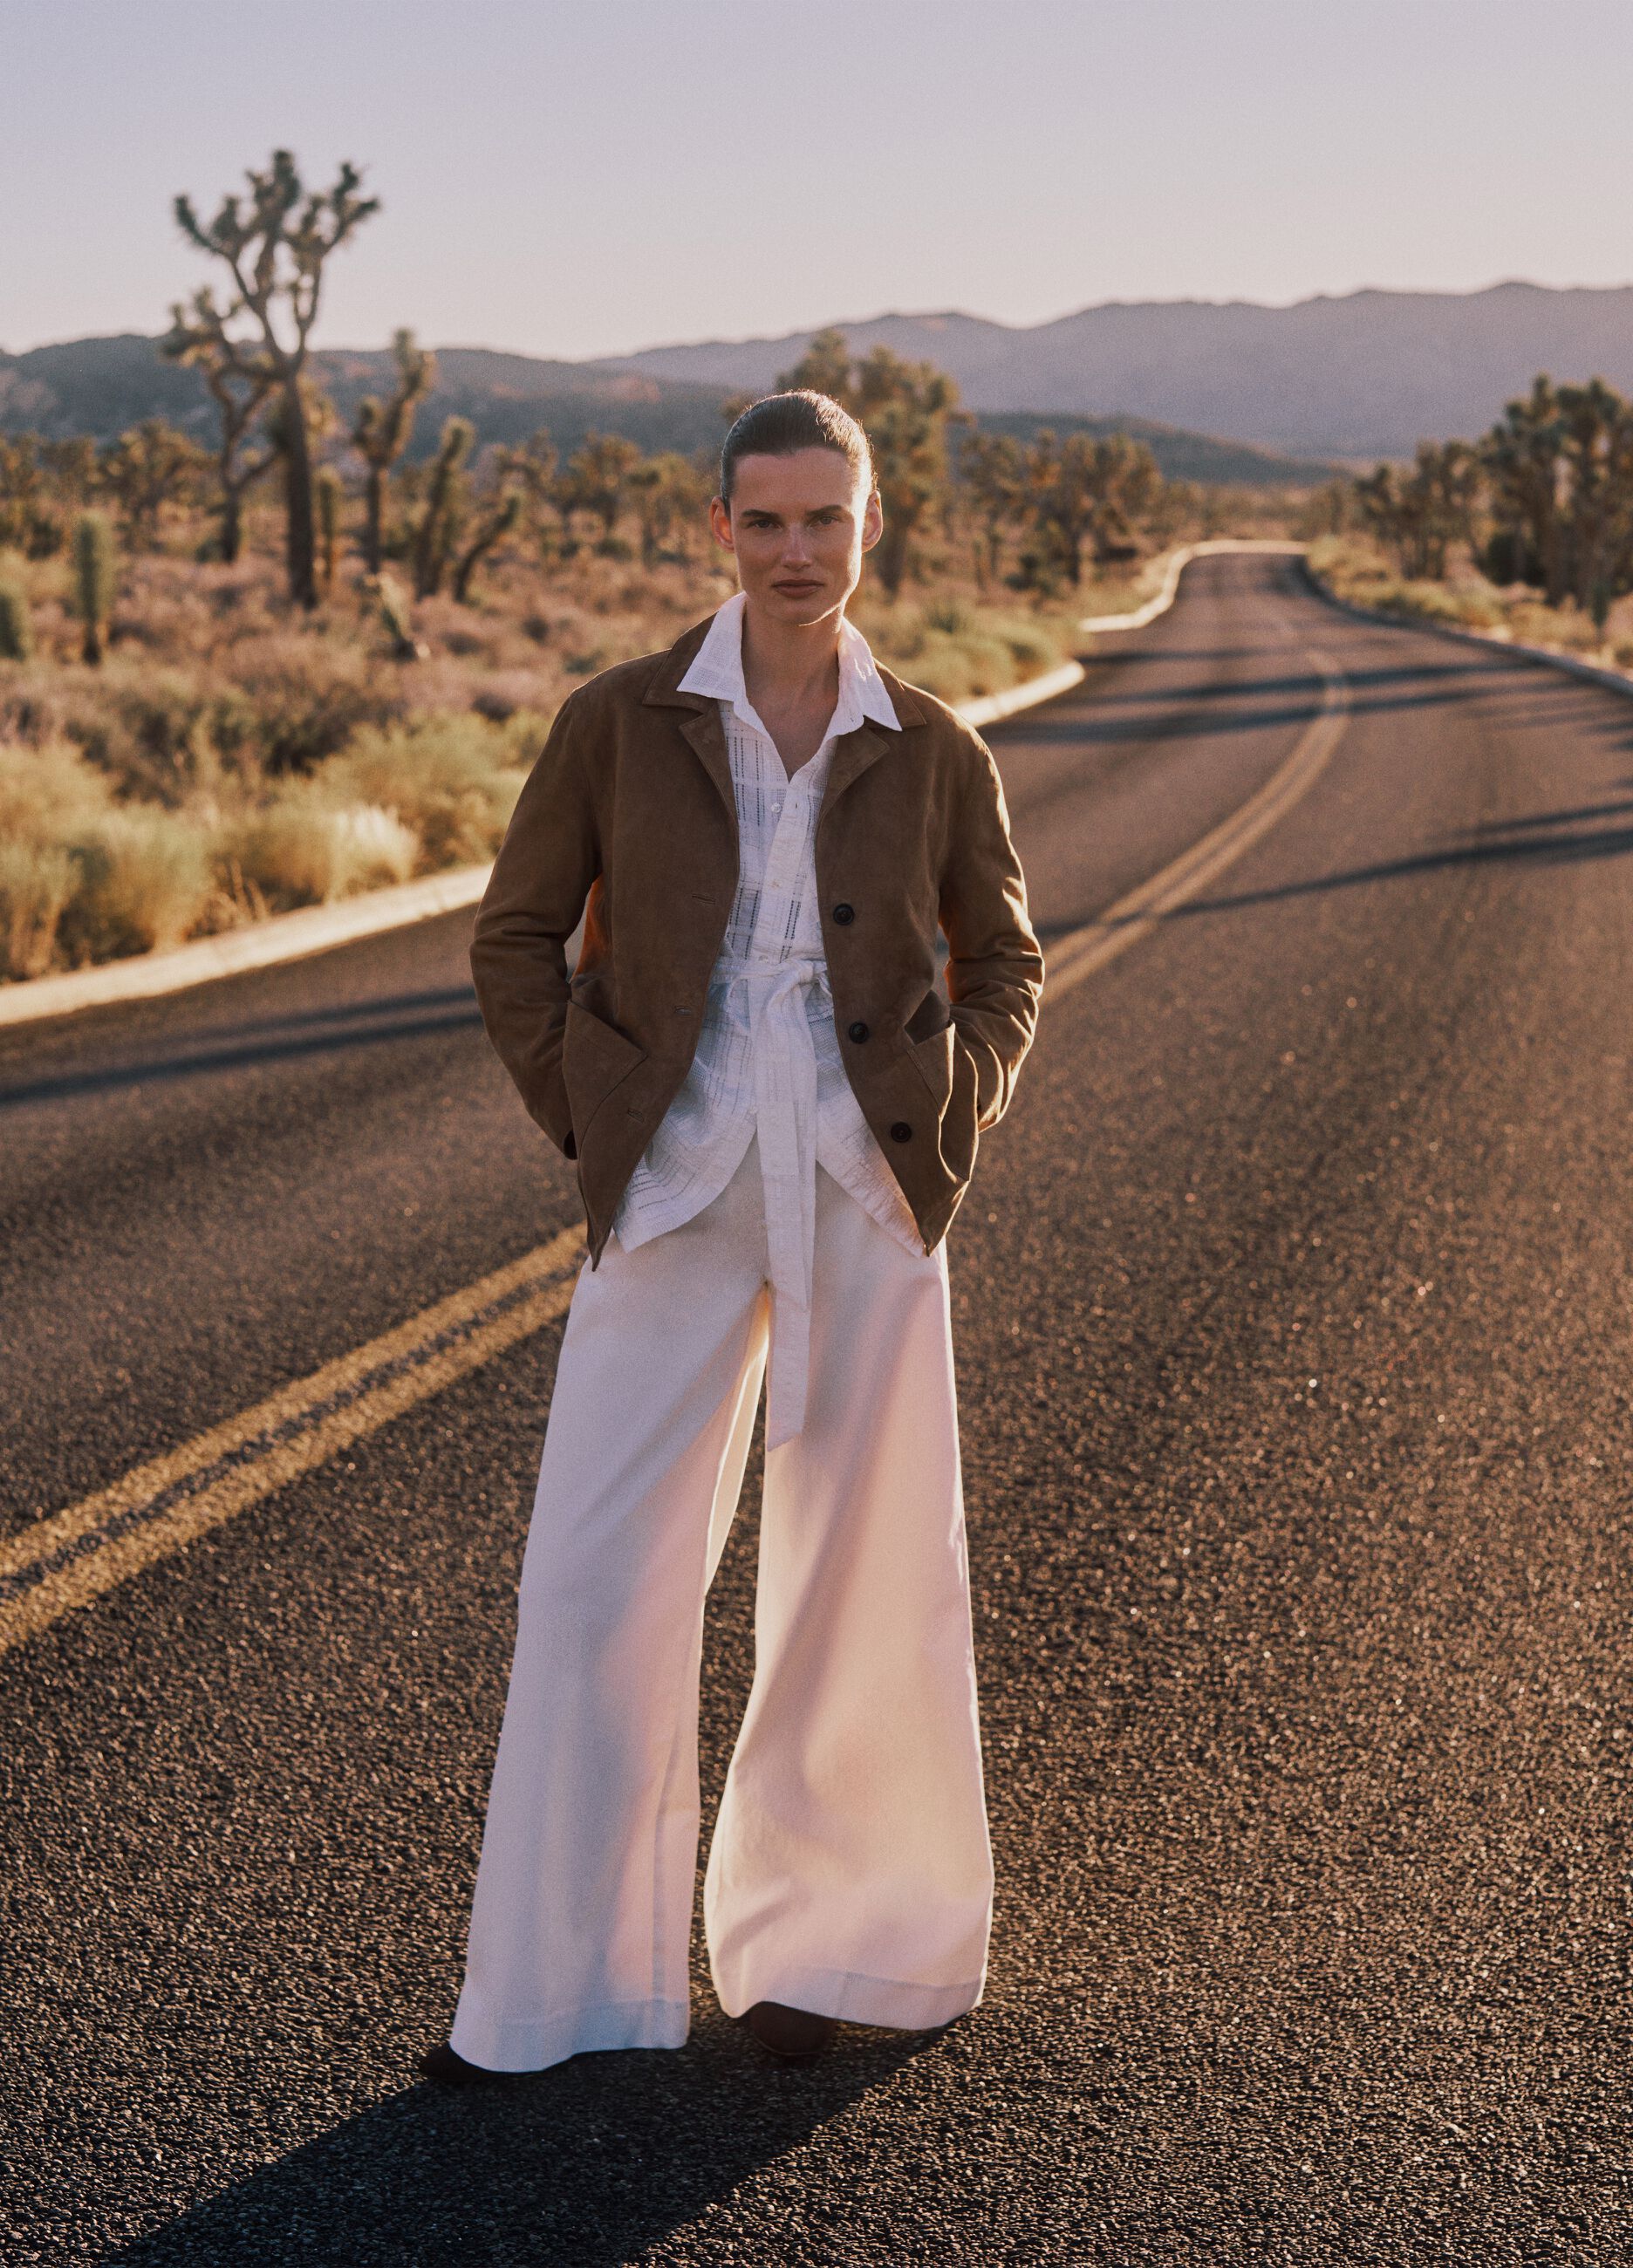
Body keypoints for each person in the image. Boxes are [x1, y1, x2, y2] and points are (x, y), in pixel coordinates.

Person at [422, 389, 1042, 2081]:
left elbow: (1007, 961)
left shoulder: (931, 739)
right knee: (592, 1580)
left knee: (867, 1574)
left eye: (822, 522)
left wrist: (954, 1114)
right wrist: (588, 1105)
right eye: (764, 521)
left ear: (867, 530)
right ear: (719, 528)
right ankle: (556, 1995)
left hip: (866, 1186)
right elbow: (514, 934)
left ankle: (833, 1953)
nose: (793, 553)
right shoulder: (618, 721)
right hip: (674, 1187)